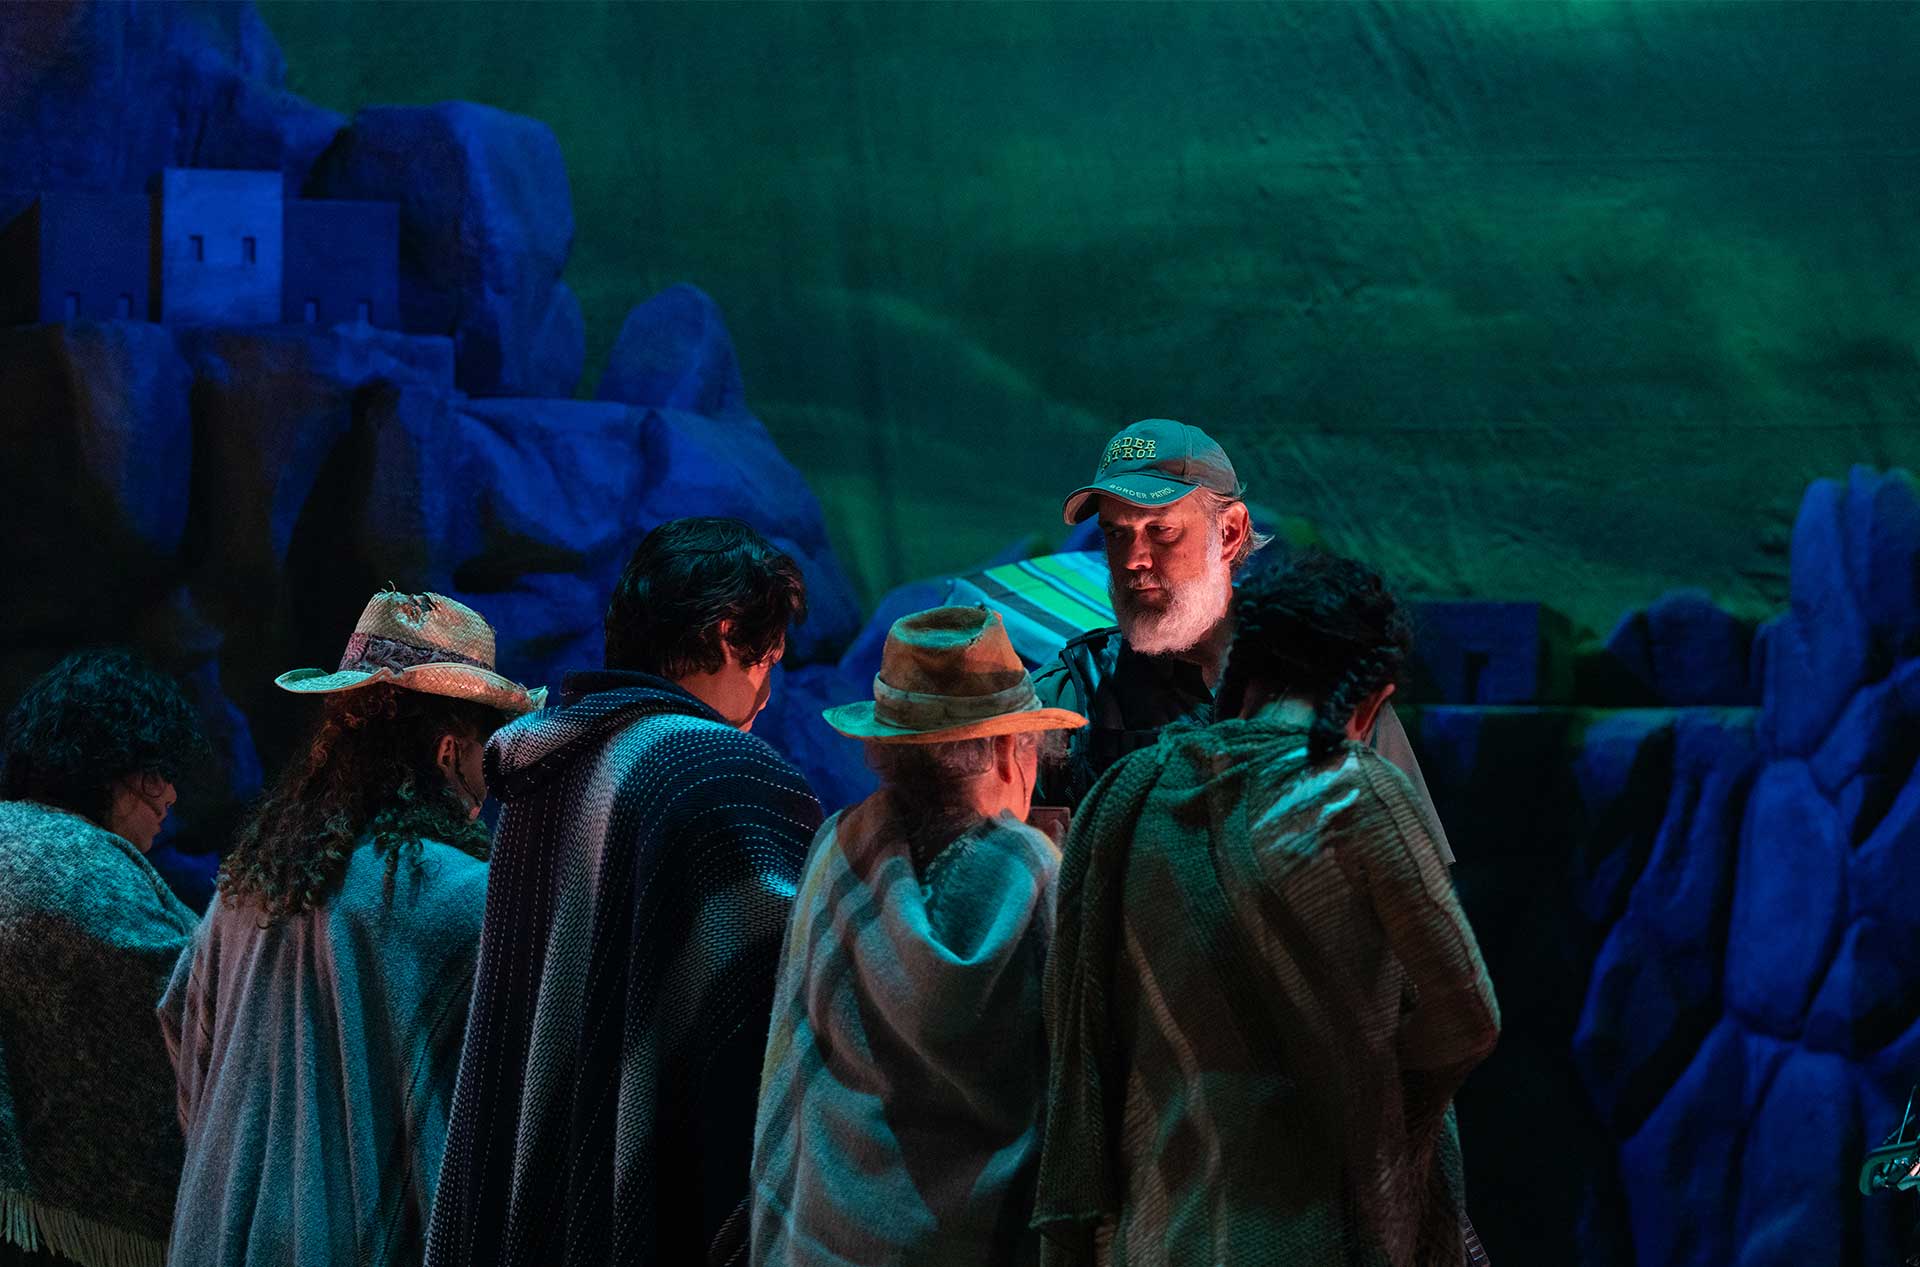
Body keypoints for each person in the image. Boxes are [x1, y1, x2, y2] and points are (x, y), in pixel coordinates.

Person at [1033, 551, 1499, 1267]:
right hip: (1328, 1234)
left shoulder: (1125, 797)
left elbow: (1078, 1042)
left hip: (1158, 1235)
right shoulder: (1362, 796)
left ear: (1239, 670)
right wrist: (1375, 1103)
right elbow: (1467, 1017)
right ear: (1371, 700)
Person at [427, 517, 824, 1267]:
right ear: (726, 633)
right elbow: (787, 1026)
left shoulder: (546, 769)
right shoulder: (718, 772)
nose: (766, 695)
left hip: (536, 1210)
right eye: (767, 660)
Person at [160, 591, 542, 1267]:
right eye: (486, 753)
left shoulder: (248, 884)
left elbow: (182, 1029)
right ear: (449, 751)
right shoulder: (465, 898)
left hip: (219, 1237)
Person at [752, 606, 1086, 1266]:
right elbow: (1079, 1081)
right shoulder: (1033, 871)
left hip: (823, 1244)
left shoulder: (838, 848)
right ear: (1006, 749)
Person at [1032, 420, 1452, 866]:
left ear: (1230, 532)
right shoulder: (1066, 700)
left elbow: (1410, 878)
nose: (1134, 559)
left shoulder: (1324, 685)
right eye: (1116, 533)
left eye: (1161, 530)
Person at [0, 650, 208, 1267]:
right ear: (107, 768)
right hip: (69, 1234)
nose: (170, 796)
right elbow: (203, 1001)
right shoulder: (83, 866)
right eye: (155, 774)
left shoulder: (18, 833)